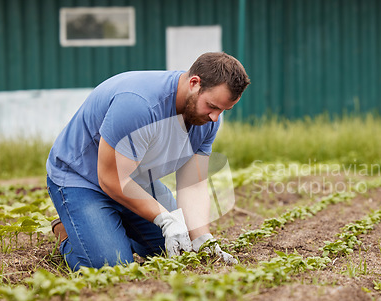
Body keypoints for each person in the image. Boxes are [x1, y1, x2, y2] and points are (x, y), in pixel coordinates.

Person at [46, 52, 250, 271]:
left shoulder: (206, 120)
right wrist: (164, 219)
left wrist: (202, 238)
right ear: (194, 83)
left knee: (183, 249)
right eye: (212, 106)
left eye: (223, 110)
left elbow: (193, 184)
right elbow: (111, 178)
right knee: (110, 266)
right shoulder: (139, 105)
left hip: (136, 179)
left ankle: (112, 228)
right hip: (83, 179)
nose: (215, 118)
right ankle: (70, 234)